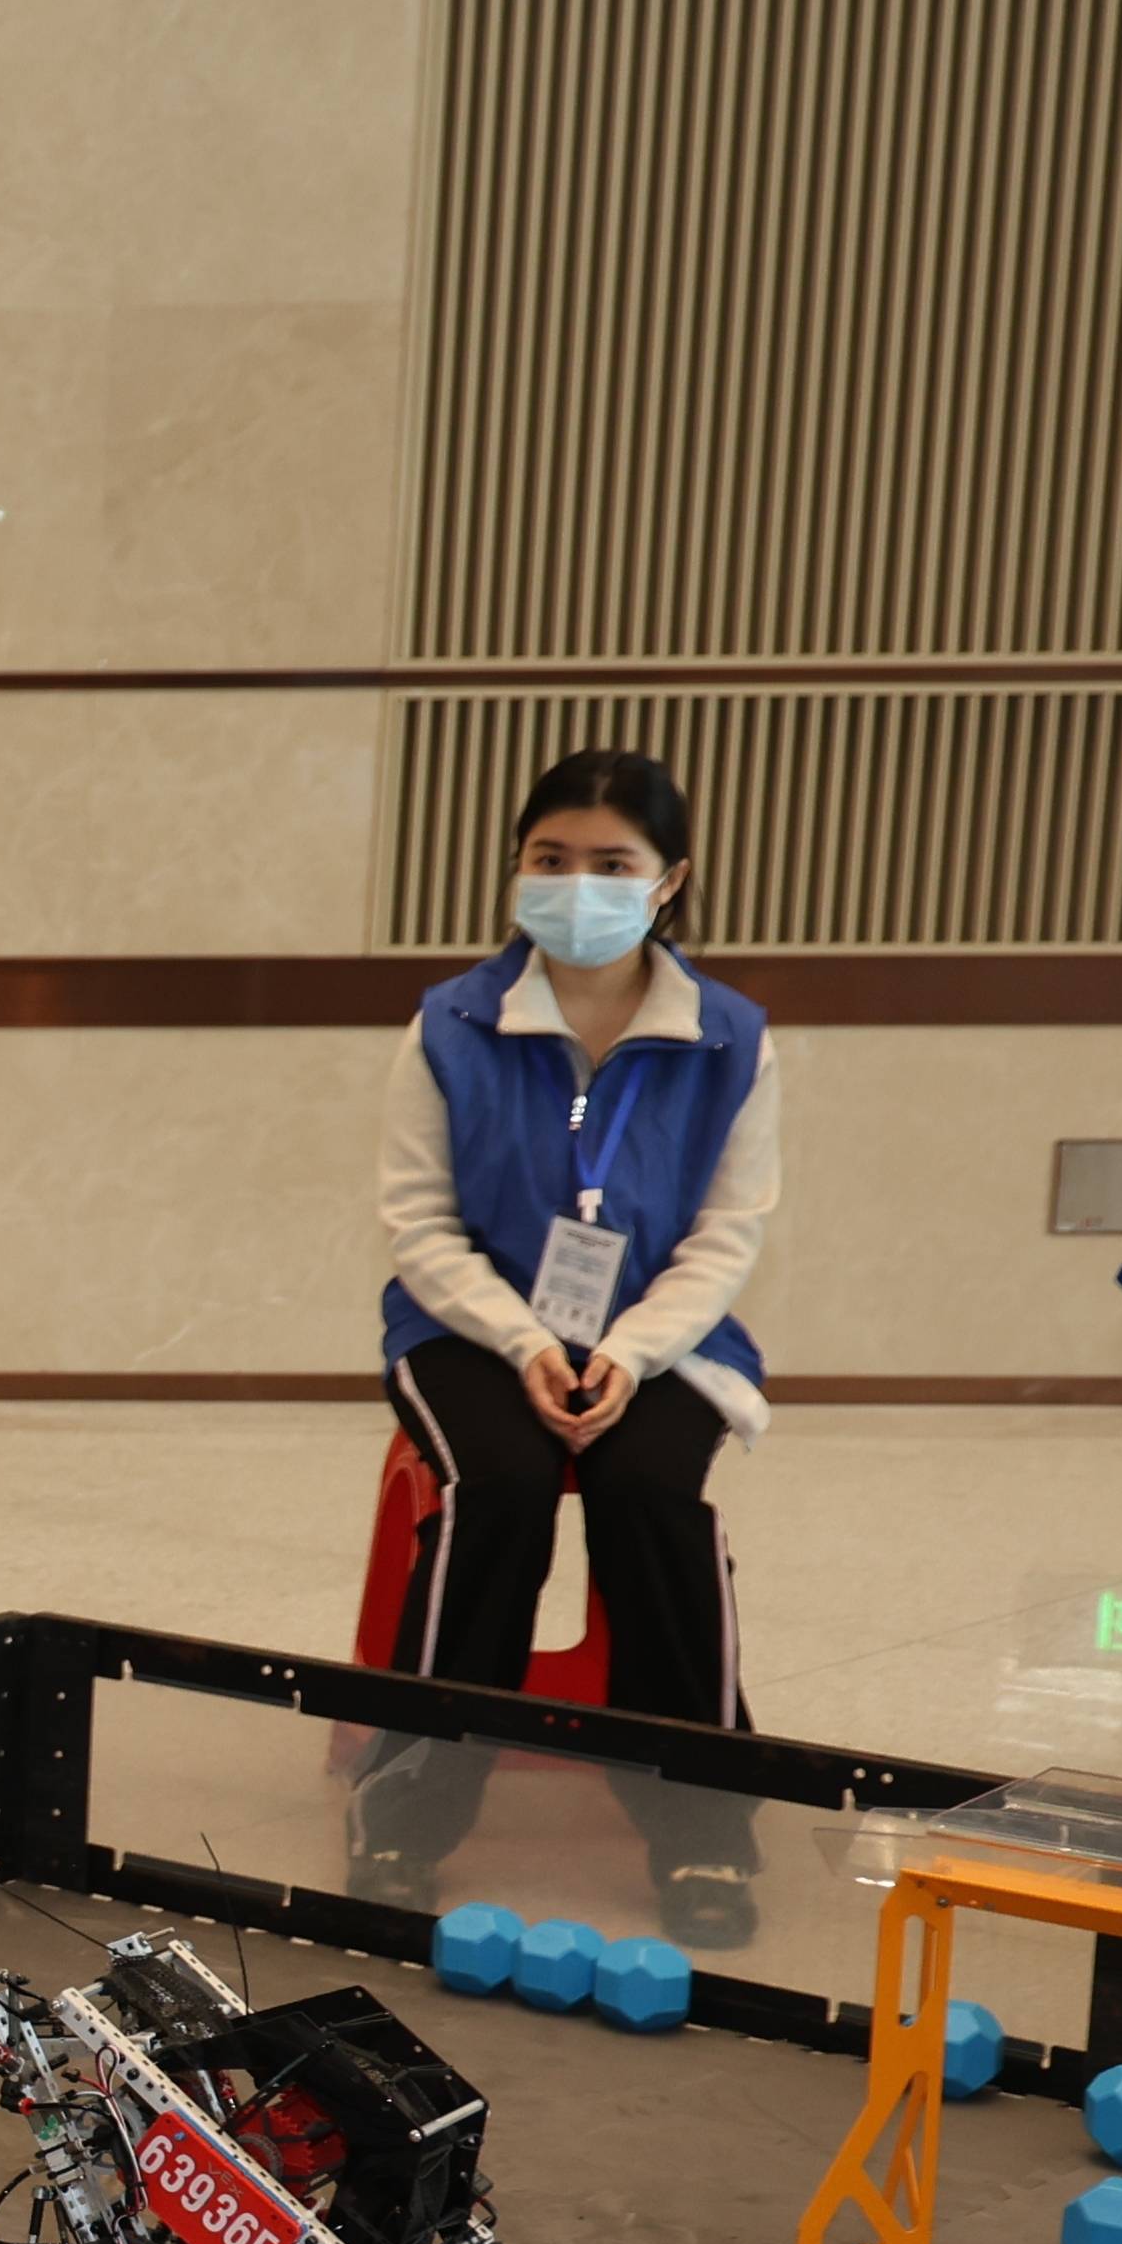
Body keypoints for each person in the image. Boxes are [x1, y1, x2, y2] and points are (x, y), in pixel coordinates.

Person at [351, 746, 778, 1945]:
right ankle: (406, 1811)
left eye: (612, 863)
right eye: (551, 857)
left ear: (669, 879)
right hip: (467, 1326)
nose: (577, 884)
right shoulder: (450, 1023)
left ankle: (702, 1829)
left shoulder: (733, 1038)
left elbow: (727, 1234)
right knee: (500, 1490)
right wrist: (523, 1341)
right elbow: (418, 1224)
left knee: (652, 1497)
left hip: (660, 1337)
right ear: (516, 867)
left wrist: (629, 1354)